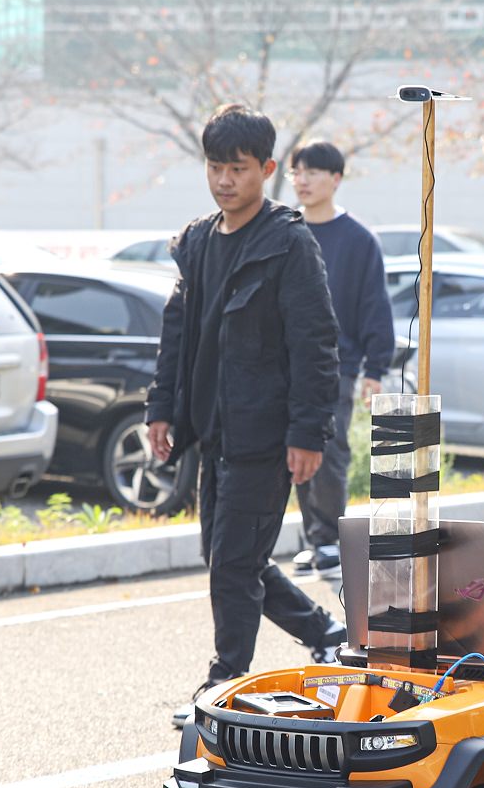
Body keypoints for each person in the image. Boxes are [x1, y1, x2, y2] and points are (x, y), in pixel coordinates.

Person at [146, 104, 344, 724]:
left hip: (266, 434)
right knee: (232, 558)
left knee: (233, 563)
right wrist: (161, 409)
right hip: (214, 431)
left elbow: (315, 344)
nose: (225, 180)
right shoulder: (198, 243)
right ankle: (325, 632)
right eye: (215, 167)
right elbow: (176, 336)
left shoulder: (287, 243)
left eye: (238, 168)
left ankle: (224, 685)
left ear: (267, 169)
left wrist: (308, 433)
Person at [284, 139, 395, 582]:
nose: (302, 180)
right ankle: (313, 539)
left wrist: (375, 368)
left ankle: (328, 537)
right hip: (285, 363)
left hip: (338, 365)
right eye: (297, 172)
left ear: (335, 179)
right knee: (292, 447)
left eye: (312, 172)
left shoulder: (358, 239)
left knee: (329, 449)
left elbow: (375, 305)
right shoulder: (285, 231)